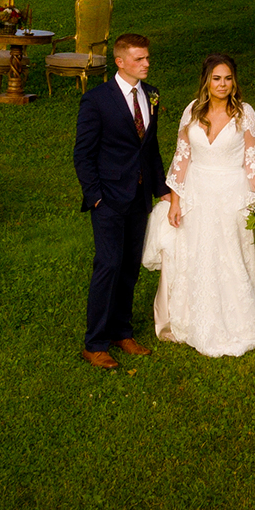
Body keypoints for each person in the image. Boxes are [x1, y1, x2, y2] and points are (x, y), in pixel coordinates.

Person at [143, 53, 255, 357]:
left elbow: (252, 162)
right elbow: (181, 158)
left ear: (235, 82)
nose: (223, 84)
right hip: (196, 193)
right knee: (197, 255)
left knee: (231, 256)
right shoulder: (192, 111)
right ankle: (193, 319)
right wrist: (175, 200)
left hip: (232, 194)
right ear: (206, 80)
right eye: (217, 78)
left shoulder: (246, 115)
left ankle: (239, 321)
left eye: (228, 78)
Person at [72, 32, 168, 370]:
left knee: (129, 267)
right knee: (108, 265)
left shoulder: (152, 95)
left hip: (139, 198)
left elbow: (151, 149)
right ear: (120, 61)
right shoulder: (97, 100)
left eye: (147, 57)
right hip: (109, 199)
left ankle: (121, 331)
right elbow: (83, 154)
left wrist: (163, 189)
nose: (146, 63)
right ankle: (94, 343)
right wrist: (96, 197)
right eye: (139, 59)